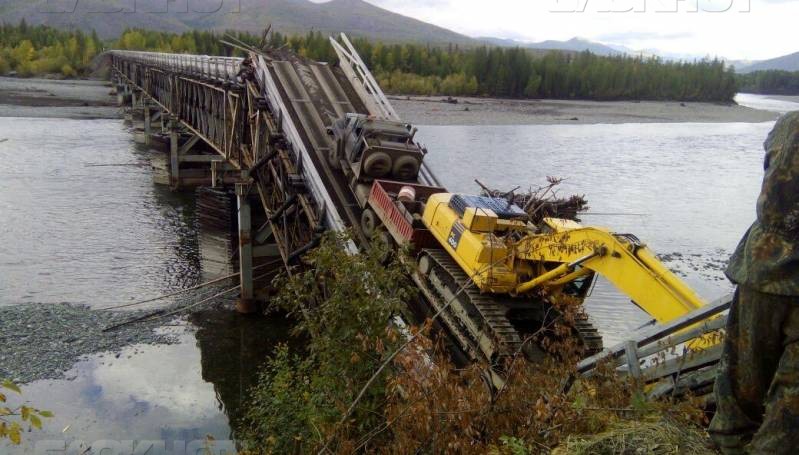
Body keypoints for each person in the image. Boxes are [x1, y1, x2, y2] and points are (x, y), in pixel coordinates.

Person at [709, 111, 799, 454]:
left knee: (740, 401)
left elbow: (773, 200)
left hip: (763, 269)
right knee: (783, 416)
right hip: (767, 275)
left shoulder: (789, 124)